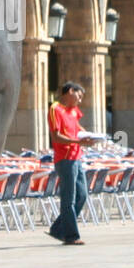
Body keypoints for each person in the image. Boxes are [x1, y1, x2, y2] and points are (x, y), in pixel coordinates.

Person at [47, 82, 98, 246]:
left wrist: (90, 137)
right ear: (70, 91)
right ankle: (71, 235)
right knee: (68, 198)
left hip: (76, 157)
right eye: (79, 96)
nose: (80, 100)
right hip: (65, 158)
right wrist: (78, 141)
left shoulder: (73, 111)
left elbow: (77, 128)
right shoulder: (56, 109)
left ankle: (58, 228)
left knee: (82, 195)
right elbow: (56, 137)